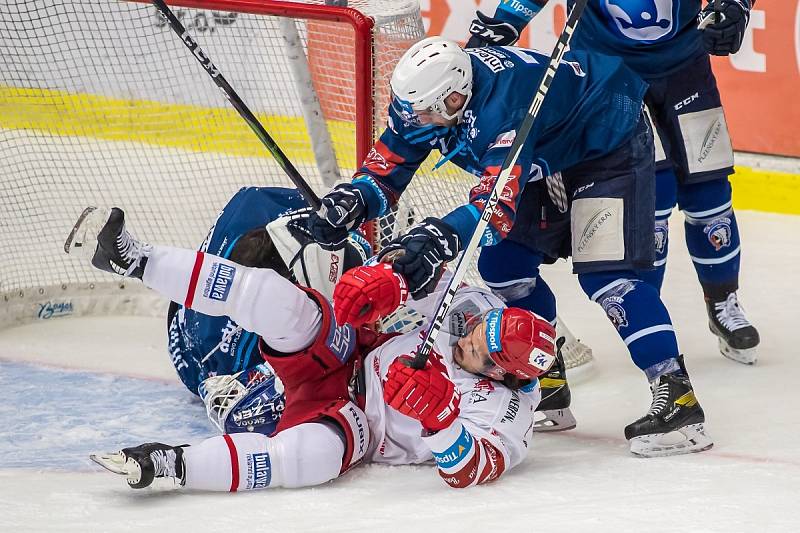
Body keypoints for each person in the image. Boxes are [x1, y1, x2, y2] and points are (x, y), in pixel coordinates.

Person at [309, 37, 712, 456]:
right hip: (549, 149)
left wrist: (437, 239)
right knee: (505, 269)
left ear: (456, 97)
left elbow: (492, 209)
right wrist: (354, 198)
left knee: (607, 278)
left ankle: (677, 396)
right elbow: (390, 165)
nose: (420, 120)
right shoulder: (423, 100)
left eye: (430, 112)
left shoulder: (505, 108)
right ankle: (549, 380)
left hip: (607, 141)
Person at [87, 206, 557, 490]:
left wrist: (442, 423)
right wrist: (389, 277)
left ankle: (171, 464)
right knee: (276, 299)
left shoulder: (507, 414)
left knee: (311, 459)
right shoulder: (475, 307)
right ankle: (135, 258)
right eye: (482, 327)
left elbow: (473, 470)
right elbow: (417, 277)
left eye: (482, 349)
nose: (472, 334)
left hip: (357, 422)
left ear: (503, 375)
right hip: (351, 352)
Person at [465, 0, 759, 365]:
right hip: (603, 73)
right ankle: (650, 316)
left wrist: (735, 6)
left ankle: (722, 301)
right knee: (653, 197)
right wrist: (506, 22)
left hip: (685, 65)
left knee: (710, 192)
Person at [164, 186, 369, 435]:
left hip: (201, 317)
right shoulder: (234, 355)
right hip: (201, 352)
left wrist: (351, 210)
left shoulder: (254, 204)